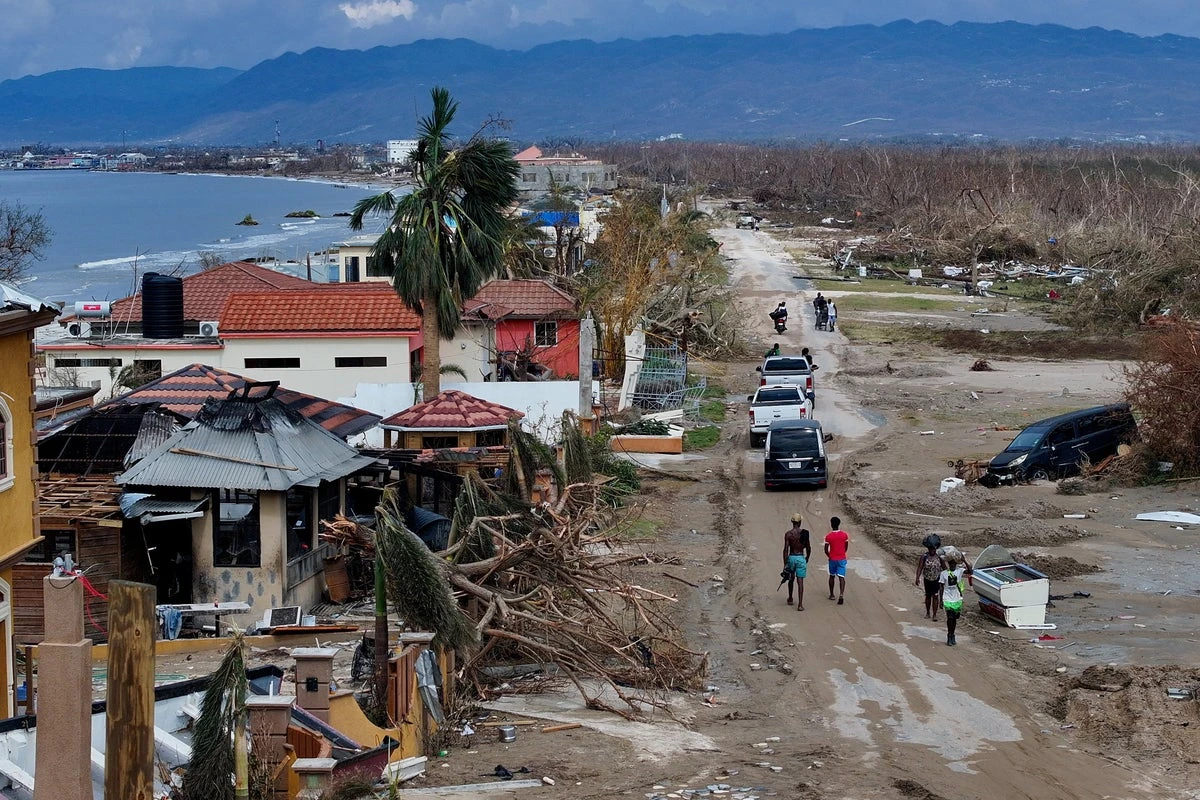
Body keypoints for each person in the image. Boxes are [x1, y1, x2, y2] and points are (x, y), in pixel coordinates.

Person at [940, 555, 973, 646]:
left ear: (956, 564)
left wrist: (964, 560)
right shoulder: (944, 574)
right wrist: (940, 601)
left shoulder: (959, 571)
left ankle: (952, 634)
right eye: (951, 564)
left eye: (954, 564)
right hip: (947, 598)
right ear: (949, 564)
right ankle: (949, 635)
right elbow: (941, 587)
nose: (953, 565)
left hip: (957, 598)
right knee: (950, 617)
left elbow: (970, 571)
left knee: (955, 618)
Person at [782, 513, 812, 610]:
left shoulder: (788, 534)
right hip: (800, 557)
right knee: (800, 581)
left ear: (792, 522)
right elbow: (808, 547)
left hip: (792, 557)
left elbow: (785, 549)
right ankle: (800, 604)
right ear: (800, 522)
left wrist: (785, 563)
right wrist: (807, 557)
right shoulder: (804, 533)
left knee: (791, 579)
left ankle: (790, 598)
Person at [914, 541, 946, 622]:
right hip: (927, 579)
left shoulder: (939, 558)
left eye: (934, 549)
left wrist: (946, 579)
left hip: (936, 580)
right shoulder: (924, 556)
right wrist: (917, 577)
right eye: (931, 549)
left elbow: (945, 568)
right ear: (928, 549)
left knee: (935, 596)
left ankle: (934, 615)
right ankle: (928, 612)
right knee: (928, 596)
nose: (933, 550)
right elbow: (920, 567)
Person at [824, 516, 849, 605]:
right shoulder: (844, 535)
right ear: (839, 524)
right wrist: (842, 553)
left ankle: (832, 594)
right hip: (841, 558)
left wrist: (829, 556)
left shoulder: (828, 537)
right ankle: (841, 594)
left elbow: (826, 550)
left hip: (832, 559)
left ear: (831, 524)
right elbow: (846, 547)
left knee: (832, 576)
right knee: (841, 577)